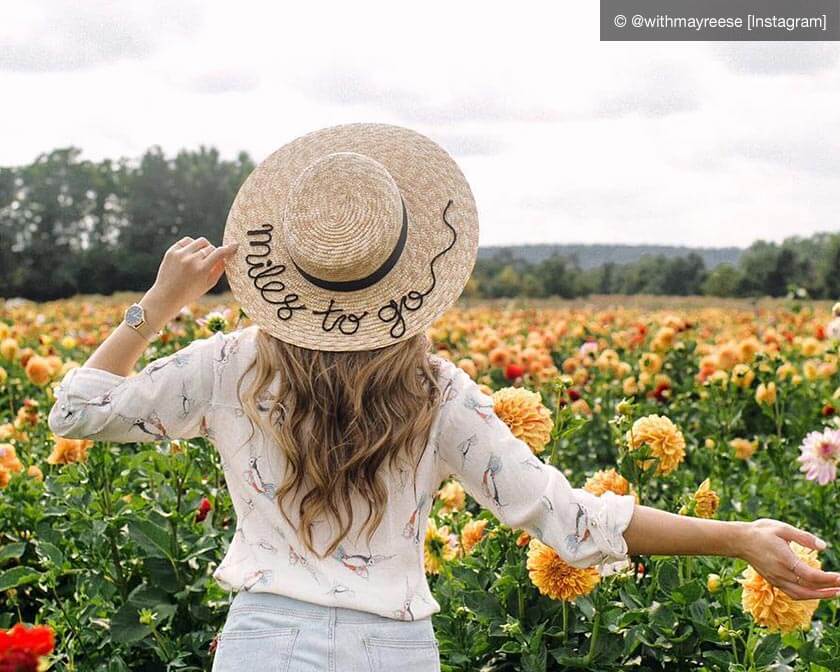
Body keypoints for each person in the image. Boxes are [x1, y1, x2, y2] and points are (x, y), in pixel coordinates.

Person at [48, 123, 840, 672]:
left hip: (264, 643)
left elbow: (77, 414)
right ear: (408, 269)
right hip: (394, 651)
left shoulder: (230, 367)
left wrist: (157, 303)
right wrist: (736, 535)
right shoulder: (435, 393)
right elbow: (574, 524)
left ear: (282, 271)